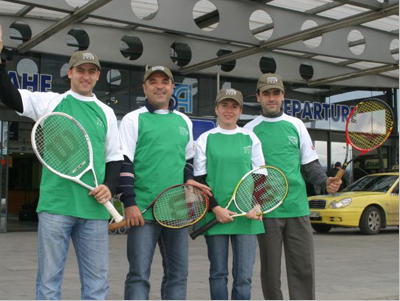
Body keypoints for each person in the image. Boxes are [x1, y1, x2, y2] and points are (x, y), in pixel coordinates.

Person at [0, 23, 123, 300]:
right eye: (80, 70)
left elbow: (114, 158)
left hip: (94, 212)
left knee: (97, 287)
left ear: (98, 76)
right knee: (48, 285)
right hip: (56, 206)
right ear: (70, 73)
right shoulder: (50, 102)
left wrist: (109, 185)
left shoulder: (106, 112)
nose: (85, 75)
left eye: (91, 71)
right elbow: (10, 97)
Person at [243, 73, 341, 300]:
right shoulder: (250, 129)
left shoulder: (296, 125)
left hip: (297, 208)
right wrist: (251, 204)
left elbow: (309, 165)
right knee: (270, 273)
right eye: (266, 93)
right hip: (266, 211)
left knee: (303, 269)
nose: (271, 98)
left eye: (276, 93)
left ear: (283, 96)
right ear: (258, 97)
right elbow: (247, 173)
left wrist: (324, 181)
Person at [117, 66, 210, 300]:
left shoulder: (184, 121)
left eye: (165, 81)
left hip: (177, 213)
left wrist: (189, 180)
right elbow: (124, 163)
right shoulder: (132, 119)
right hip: (142, 213)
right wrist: (129, 203)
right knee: (139, 274)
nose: (159, 86)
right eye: (153, 81)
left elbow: (188, 161)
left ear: (172, 87)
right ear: (145, 87)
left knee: (178, 275)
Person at [193, 88, 265, 300]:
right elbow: (199, 181)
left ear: (240, 110)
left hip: (246, 217)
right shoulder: (205, 139)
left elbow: (260, 176)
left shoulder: (250, 138)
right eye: (224, 105)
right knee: (218, 274)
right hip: (216, 215)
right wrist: (215, 208)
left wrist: (257, 205)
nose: (229, 110)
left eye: (234, 106)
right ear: (216, 108)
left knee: (243, 276)